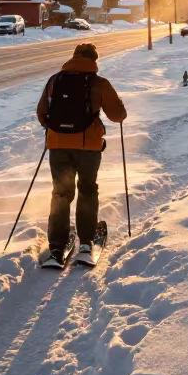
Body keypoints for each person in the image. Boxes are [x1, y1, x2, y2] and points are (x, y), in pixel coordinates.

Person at [36, 42, 127, 264]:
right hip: (89, 148)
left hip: (58, 146)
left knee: (61, 193)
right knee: (87, 189)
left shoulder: (55, 81)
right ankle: (86, 243)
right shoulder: (99, 83)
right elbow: (118, 116)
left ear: (73, 57)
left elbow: (41, 114)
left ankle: (56, 247)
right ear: (94, 61)